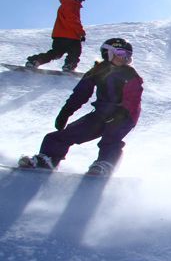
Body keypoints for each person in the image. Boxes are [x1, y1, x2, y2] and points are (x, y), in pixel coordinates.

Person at [19, 38, 143, 176]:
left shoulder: (130, 74)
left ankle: (105, 164)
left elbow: (133, 98)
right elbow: (80, 94)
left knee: (111, 139)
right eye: (120, 53)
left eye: (128, 56)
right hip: (100, 115)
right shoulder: (96, 71)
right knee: (63, 135)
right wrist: (66, 111)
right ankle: (47, 159)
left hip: (124, 116)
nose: (124, 58)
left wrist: (121, 114)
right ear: (107, 53)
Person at [26, 0, 87, 72]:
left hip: (60, 36)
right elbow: (72, 20)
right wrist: (81, 33)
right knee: (75, 51)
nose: (81, 1)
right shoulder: (70, 5)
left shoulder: (67, 4)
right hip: (70, 36)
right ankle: (69, 66)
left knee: (56, 53)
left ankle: (35, 61)